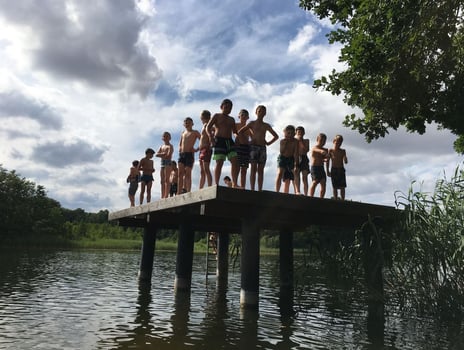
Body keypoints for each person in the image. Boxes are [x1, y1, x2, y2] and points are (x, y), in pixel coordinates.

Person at [237, 105, 278, 191]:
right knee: (253, 169)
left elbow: (276, 136)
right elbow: (240, 132)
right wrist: (247, 142)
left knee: (261, 170)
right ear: (256, 112)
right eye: (259, 111)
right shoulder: (252, 123)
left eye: (263, 111)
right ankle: (252, 189)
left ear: (265, 113)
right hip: (253, 148)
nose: (261, 113)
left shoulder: (266, 125)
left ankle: (259, 189)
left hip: (262, 148)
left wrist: (268, 143)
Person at [206, 99, 239, 187]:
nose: (228, 109)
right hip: (219, 140)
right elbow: (208, 127)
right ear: (221, 107)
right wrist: (210, 137)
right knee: (219, 162)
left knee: (235, 161)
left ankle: (234, 183)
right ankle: (216, 183)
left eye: (230, 108)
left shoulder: (231, 119)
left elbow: (234, 131)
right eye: (226, 107)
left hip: (229, 141)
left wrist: (236, 136)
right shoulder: (217, 116)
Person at [177, 117, 201, 194]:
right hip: (182, 154)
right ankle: (179, 191)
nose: (187, 124)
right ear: (184, 124)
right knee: (180, 173)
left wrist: (197, 149)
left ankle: (188, 191)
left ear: (192, 124)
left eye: (189, 122)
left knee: (188, 173)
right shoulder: (183, 133)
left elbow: (202, 140)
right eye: (186, 123)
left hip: (189, 154)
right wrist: (180, 149)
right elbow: (180, 143)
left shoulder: (195, 132)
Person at [275, 125, 299, 193]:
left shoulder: (296, 141)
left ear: (294, 134)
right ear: (285, 133)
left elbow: (296, 153)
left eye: (292, 133)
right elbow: (281, 151)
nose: (290, 135)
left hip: (291, 158)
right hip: (283, 157)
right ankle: (277, 191)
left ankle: (297, 191)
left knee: (295, 173)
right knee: (280, 173)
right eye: (288, 133)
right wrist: (286, 143)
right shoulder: (283, 141)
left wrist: (296, 164)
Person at [327, 134, 348, 200]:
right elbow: (328, 161)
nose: (339, 143)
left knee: (342, 187)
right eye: (337, 141)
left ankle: (343, 200)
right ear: (334, 141)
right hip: (334, 169)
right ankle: (335, 200)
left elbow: (346, 161)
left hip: (341, 169)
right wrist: (327, 171)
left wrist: (345, 159)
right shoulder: (330, 150)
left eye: (340, 141)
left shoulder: (343, 151)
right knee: (335, 187)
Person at [235, 109, 252, 189]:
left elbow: (252, 138)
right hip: (238, 147)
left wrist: (249, 142)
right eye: (242, 115)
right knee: (237, 167)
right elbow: (235, 134)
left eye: (245, 115)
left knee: (244, 169)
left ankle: (243, 187)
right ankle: (234, 184)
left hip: (246, 148)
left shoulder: (249, 128)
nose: (244, 117)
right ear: (239, 116)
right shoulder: (236, 125)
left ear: (248, 117)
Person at [309, 133, 329, 198]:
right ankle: (310, 196)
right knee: (315, 181)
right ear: (317, 139)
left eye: (324, 141)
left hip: (321, 168)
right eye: (321, 140)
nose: (322, 142)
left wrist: (326, 159)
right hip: (315, 167)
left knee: (323, 183)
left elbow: (326, 159)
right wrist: (323, 152)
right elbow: (319, 151)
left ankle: (321, 198)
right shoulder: (315, 148)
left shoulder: (326, 149)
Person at [156, 132, 174, 199]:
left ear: (170, 138)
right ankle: (162, 195)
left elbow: (169, 155)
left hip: (168, 162)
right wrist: (163, 154)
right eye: (164, 136)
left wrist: (161, 154)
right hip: (162, 163)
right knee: (162, 180)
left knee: (167, 179)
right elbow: (157, 154)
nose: (165, 137)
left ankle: (166, 195)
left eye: (167, 136)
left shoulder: (170, 146)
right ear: (162, 138)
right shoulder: (161, 146)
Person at [198, 110, 213, 189]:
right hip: (202, 150)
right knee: (202, 171)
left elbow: (212, 134)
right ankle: (201, 188)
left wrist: (209, 144)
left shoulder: (208, 125)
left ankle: (210, 186)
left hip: (206, 149)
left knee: (206, 169)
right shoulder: (204, 125)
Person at [294, 126, 310, 195]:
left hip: (304, 158)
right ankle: (297, 191)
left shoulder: (306, 141)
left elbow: (306, 150)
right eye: (298, 132)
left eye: (301, 132)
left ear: (304, 133)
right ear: (296, 133)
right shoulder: (294, 141)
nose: (300, 133)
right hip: (296, 157)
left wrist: (300, 141)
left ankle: (306, 193)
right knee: (296, 175)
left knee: (305, 176)